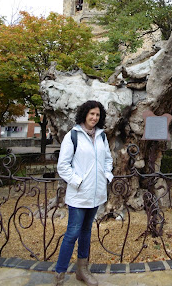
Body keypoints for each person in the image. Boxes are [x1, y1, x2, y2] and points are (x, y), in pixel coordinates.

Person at [53, 100, 114, 286]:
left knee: (86, 232)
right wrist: (77, 181)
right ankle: (60, 273)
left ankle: (82, 270)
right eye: (91, 114)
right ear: (84, 115)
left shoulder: (102, 137)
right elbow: (62, 166)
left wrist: (107, 175)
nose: (94, 118)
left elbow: (108, 159)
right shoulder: (73, 136)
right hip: (79, 195)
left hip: (96, 194)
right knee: (72, 233)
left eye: (97, 115)